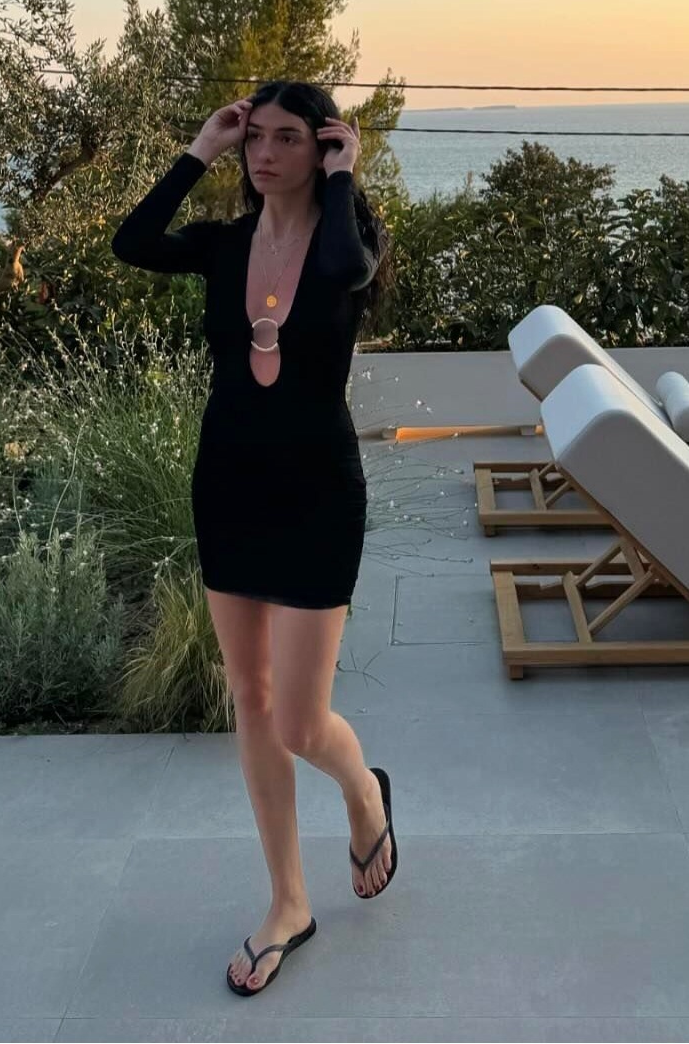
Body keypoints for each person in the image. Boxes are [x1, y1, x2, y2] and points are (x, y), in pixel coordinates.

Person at [111, 80, 399, 997]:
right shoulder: (224, 244)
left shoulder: (348, 241)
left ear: (323, 148)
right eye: (255, 139)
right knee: (251, 697)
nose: (264, 154)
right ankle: (288, 902)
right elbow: (132, 242)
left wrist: (346, 177)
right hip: (229, 484)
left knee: (302, 722)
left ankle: (363, 793)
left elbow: (342, 269)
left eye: (287, 139)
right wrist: (199, 148)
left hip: (318, 492)